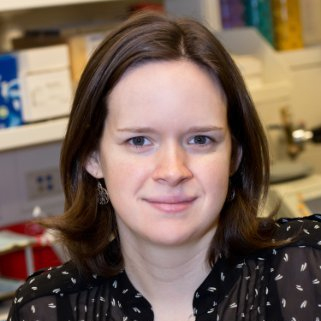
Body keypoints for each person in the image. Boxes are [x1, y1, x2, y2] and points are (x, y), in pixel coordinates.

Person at [7, 11, 321, 321]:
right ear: (93, 156)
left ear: (234, 155)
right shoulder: (46, 309)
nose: (172, 171)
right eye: (139, 141)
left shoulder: (310, 268)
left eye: (200, 139)